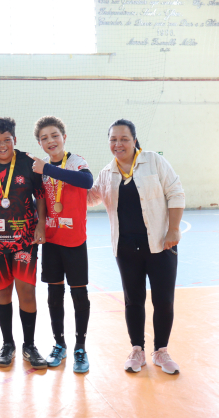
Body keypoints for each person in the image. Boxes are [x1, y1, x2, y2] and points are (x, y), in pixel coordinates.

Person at [87, 119, 184, 375]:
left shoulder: (153, 161)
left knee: (164, 301)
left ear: (134, 140)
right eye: (113, 140)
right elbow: (90, 198)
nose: (118, 144)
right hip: (126, 248)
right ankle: (137, 350)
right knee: (133, 301)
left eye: (124, 139)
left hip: (160, 244)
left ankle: (161, 351)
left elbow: (176, 192)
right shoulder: (107, 173)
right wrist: (65, 178)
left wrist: (174, 229)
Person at [0, 117, 47, 369]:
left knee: (26, 290)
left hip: (24, 238)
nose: (2, 145)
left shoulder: (28, 162)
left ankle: (29, 345)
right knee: (2, 292)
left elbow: (40, 195)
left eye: (7, 140)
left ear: (14, 140)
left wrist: (41, 223)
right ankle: (8, 344)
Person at [30, 116, 94, 373]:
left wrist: (46, 169)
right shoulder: (41, 169)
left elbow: (86, 182)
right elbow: (40, 199)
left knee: (79, 295)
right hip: (52, 241)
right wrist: (39, 225)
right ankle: (59, 344)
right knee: (54, 295)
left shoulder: (76, 161)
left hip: (75, 240)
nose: (50, 141)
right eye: (44, 138)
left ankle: (80, 347)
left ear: (64, 137)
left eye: (54, 135)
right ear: (40, 143)